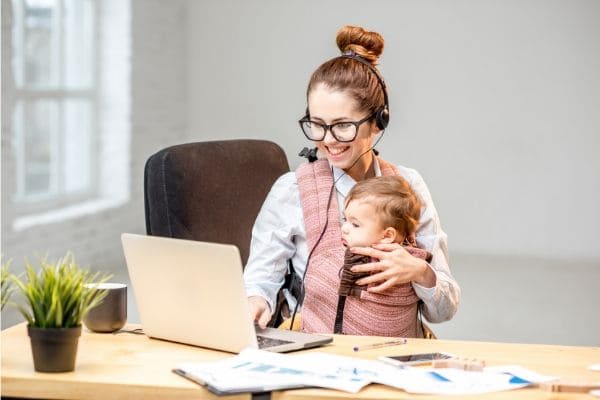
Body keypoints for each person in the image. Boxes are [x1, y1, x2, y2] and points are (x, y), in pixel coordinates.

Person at [243, 25, 460, 337]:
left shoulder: (408, 187)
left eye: (343, 126)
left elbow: (445, 309)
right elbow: (259, 282)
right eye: (317, 125)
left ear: (377, 122)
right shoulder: (291, 191)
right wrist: (255, 302)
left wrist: (420, 272)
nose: (329, 140)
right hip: (322, 358)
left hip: (397, 360)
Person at [336, 175, 432, 336]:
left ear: (387, 236)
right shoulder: (341, 252)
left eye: (355, 224)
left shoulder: (408, 266)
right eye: (344, 219)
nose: (344, 228)